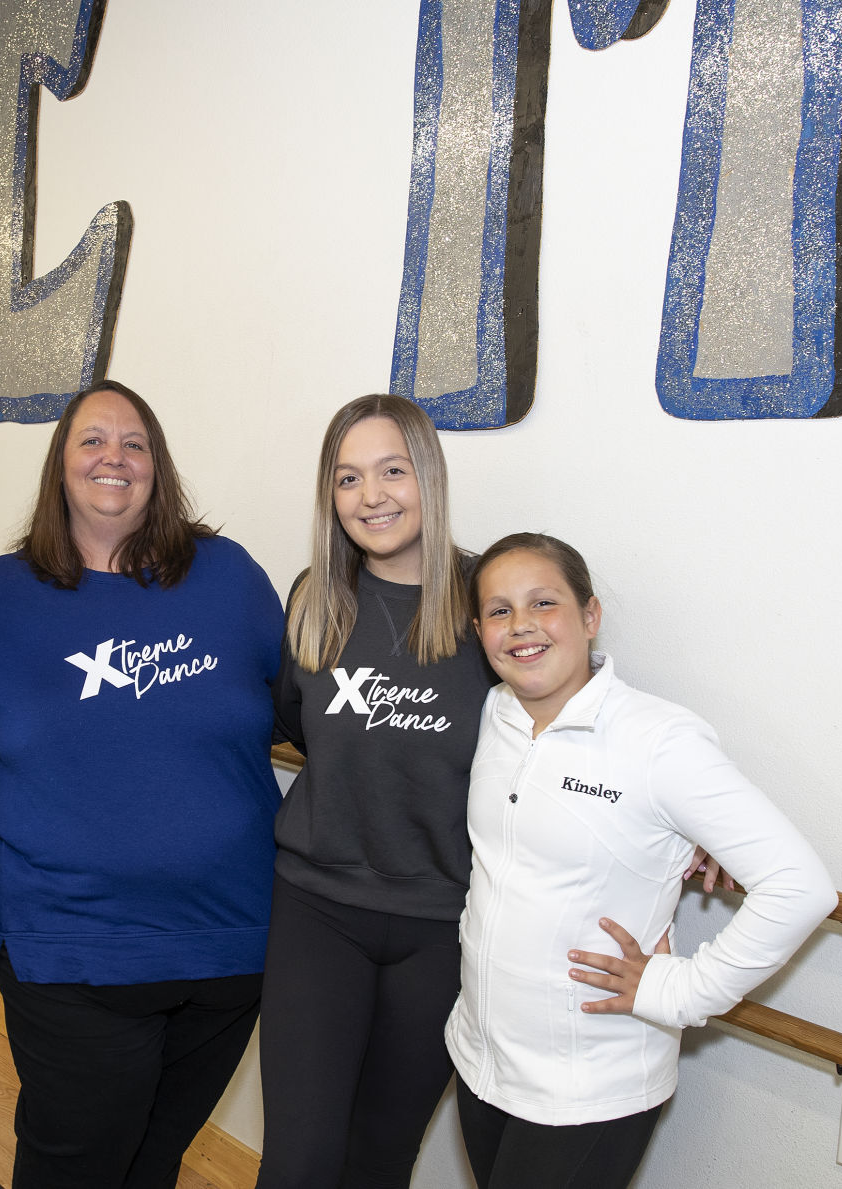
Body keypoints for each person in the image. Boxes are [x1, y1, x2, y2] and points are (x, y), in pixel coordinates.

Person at [0, 380, 284, 1189]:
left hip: (226, 942)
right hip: (66, 941)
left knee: (153, 1162)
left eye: (134, 442)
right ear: (59, 465)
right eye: (92, 441)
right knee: (73, 1166)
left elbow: (305, 711)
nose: (114, 457)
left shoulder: (229, 577)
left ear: (157, 465)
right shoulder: (2, 594)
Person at [445, 533, 837, 1188]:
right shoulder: (494, 713)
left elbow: (799, 886)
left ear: (589, 615)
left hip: (590, 1085)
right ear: (478, 629)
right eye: (498, 610)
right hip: (481, 1058)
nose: (521, 627)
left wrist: (676, 990)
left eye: (543, 602)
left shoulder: (656, 740)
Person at [256, 394, 498, 1188]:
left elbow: (575, 712)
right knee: (298, 1163)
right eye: (348, 477)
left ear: (428, 474)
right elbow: (294, 722)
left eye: (392, 470)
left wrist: (688, 825)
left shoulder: (486, 601)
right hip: (316, 912)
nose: (372, 496)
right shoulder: (314, 600)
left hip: (442, 928)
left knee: (377, 1164)